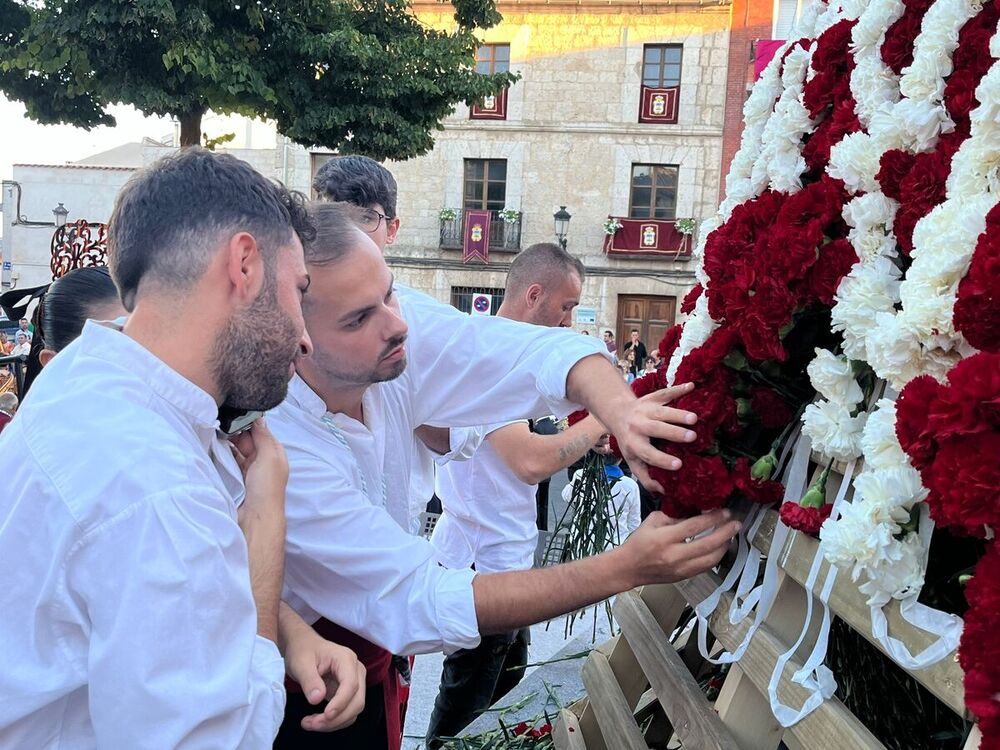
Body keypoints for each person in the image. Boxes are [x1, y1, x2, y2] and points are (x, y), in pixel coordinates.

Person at [267, 203, 739, 750]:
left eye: (391, 293)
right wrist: (624, 567)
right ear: (293, 338)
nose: (397, 324)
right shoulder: (285, 447)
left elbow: (536, 352)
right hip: (297, 689)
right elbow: (416, 598)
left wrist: (624, 410)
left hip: (382, 648)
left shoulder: (393, 336)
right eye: (357, 318)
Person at [0, 149, 365, 747]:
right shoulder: (153, 484)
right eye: (299, 290)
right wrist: (267, 519)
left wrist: (292, 633)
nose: (304, 336)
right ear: (244, 264)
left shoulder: (93, 379)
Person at [426, 244, 612, 746]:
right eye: (567, 306)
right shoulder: (488, 358)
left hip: (501, 560)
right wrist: (603, 418)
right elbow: (529, 461)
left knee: (500, 711)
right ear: (534, 294)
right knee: (465, 720)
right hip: (483, 568)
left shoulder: (506, 355)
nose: (570, 321)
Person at [562, 452, 642, 548]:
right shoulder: (630, 485)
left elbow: (566, 496)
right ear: (621, 458)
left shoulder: (582, 474)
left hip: (581, 543)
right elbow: (634, 523)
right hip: (615, 546)